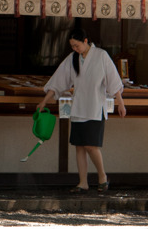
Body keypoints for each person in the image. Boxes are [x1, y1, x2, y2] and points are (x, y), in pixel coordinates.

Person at [36, 28, 126, 193]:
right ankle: (83, 182)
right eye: (72, 46)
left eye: (76, 45)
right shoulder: (72, 58)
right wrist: (44, 101)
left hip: (94, 107)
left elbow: (113, 80)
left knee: (91, 146)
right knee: (79, 147)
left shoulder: (101, 56)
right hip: (78, 108)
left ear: (85, 41)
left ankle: (102, 177)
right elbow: (58, 81)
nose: (74, 49)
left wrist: (120, 103)